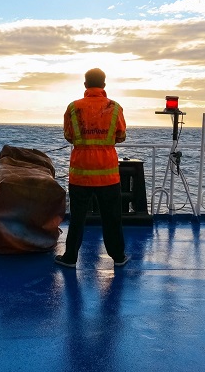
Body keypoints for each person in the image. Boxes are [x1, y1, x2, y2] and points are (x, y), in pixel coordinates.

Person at [55, 68, 129, 268]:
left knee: (77, 218)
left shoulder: (73, 107)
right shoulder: (114, 107)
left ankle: (70, 257)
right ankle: (118, 257)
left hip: (80, 173)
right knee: (112, 217)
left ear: (85, 85)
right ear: (104, 85)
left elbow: (69, 136)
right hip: (108, 175)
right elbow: (121, 136)